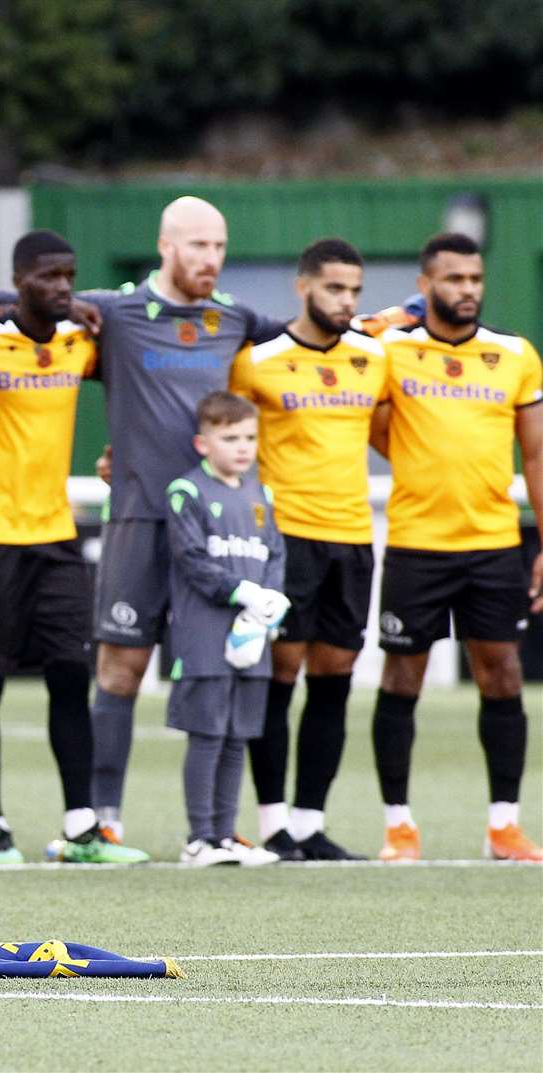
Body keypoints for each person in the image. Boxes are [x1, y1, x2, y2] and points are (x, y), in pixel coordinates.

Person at [0, 230, 146, 866]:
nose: (62, 288)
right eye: (48, 277)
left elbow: (137, 385)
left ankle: (81, 828)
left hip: (55, 537)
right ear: (20, 280)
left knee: (71, 677)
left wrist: (119, 450)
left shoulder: (80, 342)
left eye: (69, 276)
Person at [80, 196, 286, 843]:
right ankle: (102, 822)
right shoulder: (112, 312)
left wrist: (401, 318)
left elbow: (316, 332)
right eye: (198, 245)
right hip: (141, 518)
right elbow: (33, 294)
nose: (211, 259)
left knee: (222, 671)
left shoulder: (235, 318)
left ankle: (215, 829)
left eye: (220, 247)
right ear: (166, 245)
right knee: (120, 670)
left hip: (218, 527)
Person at [369, 232, 543, 862]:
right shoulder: (391, 350)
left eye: (474, 279)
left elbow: (536, 453)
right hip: (417, 544)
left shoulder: (515, 354)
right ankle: (399, 826)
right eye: (453, 279)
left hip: (494, 544)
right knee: (403, 676)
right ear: (425, 285)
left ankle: (504, 826)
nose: (466, 290)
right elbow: (373, 427)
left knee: (502, 674)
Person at [226, 238, 381, 861]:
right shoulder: (258, 361)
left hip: (354, 536)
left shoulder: (376, 358)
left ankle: (312, 822)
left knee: (336, 674)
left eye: (354, 291)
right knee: (281, 672)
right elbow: (222, 436)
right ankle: (272, 824)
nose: (345, 301)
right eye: (334, 288)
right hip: (286, 539)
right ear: (303, 287)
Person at [163, 392, 287, 867]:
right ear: (202, 442)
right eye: (230, 437)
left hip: (252, 633)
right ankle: (199, 838)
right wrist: (243, 593)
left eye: (250, 438)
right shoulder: (187, 492)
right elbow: (193, 560)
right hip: (204, 632)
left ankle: (224, 833)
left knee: (238, 735)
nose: (242, 447)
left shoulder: (263, 493)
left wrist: (268, 602)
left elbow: (274, 553)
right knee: (208, 733)